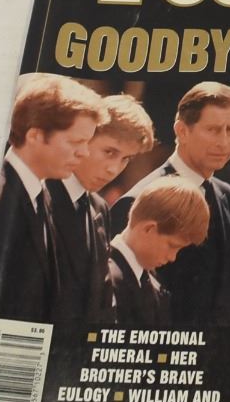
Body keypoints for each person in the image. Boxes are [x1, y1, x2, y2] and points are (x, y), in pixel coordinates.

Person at [108, 82, 230, 327]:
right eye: (213, 130)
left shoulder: (226, 194)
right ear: (182, 131)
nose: (224, 142)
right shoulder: (136, 201)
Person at [0, 74, 104, 324]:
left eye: (88, 142)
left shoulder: (42, 195)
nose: (84, 153)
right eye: (76, 142)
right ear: (35, 135)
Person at [49, 94, 154, 323]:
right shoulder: (41, 194)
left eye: (126, 159)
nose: (114, 169)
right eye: (109, 152)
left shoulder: (100, 208)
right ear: (84, 140)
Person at [106, 179, 210, 328]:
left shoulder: (151, 279)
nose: (172, 257)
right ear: (149, 229)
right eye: (172, 246)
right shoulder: (104, 278)